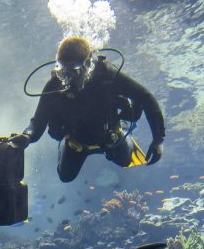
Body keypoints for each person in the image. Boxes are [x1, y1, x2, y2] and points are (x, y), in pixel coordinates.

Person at [10, 36, 165, 182]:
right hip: (76, 141)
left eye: (74, 71)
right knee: (66, 176)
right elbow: (38, 122)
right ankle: (68, 144)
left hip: (110, 137)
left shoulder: (107, 75)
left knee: (125, 161)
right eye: (63, 72)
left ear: (88, 64)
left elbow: (146, 97)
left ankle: (122, 134)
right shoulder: (55, 84)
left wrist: (158, 140)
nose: (68, 79)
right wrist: (27, 136)